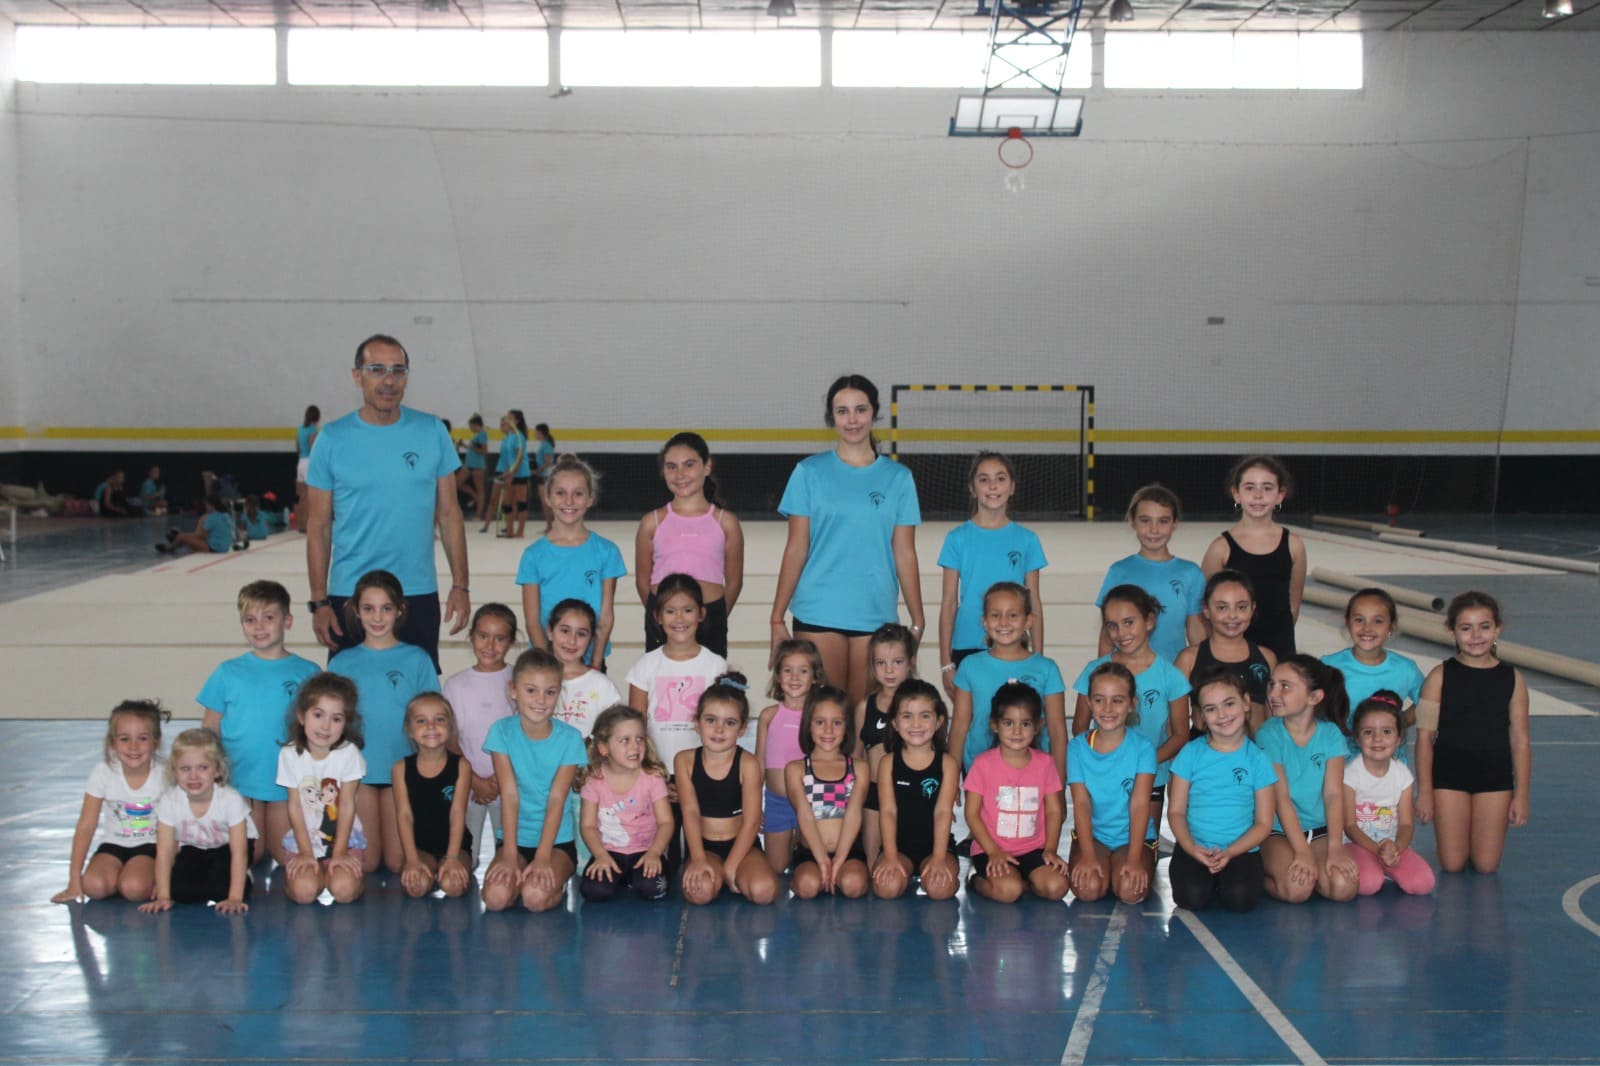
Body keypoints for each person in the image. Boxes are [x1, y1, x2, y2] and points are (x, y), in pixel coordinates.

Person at [304, 333, 469, 672]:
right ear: (357, 376)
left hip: (416, 591)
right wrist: (319, 601)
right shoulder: (331, 439)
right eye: (377, 369)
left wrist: (460, 585)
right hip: (351, 593)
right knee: (348, 696)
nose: (389, 380)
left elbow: (449, 514)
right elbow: (318, 525)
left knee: (416, 695)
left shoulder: (432, 431)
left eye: (398, 370)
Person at [770, 374, 925, 707]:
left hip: (875, 612)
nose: (852, 419)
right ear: (832, 418)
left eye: (860, 409)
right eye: (842, 411)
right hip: (818, 611)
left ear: (874, 413)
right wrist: (776, 617)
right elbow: (796, 547)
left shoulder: (898, 478)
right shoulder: (808, 472)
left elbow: (904, 552)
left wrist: (917, 619)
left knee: (863, 717)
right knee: (825, 716)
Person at [197, 580, 320, 864]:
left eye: (268, 618)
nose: (259, 627)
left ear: (287, 621)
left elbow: (320, 731)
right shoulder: (228, 672)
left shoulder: (308, 672)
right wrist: (212, 773)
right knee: (249, 855)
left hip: (286, 785)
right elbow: (210, 729)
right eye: (250, 620)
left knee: (285, 855)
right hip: (240, 781)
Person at [328, 569, 439, 876]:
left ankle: (441, 859)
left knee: (397, 861)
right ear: (356, 610)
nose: (377, 617)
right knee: (366, 862)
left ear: (400, 610)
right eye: (368, 608)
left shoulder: (417, 659)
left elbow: (434, 720)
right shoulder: (341, 662)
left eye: (386, 608)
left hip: (401, 773)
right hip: (357, 775)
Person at [1415, 591, 1530, 875]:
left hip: (1495, 778)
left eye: (1484, 627)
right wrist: (1425, 792)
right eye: (1466, 628)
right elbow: (1424, 738)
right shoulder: (1438, 677)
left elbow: (1520, 740)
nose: (1476, 636)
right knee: (1453, 864)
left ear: (1498, 629)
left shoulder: (1513, 679)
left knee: (1486, 865)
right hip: (1449, 778)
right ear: (1452, 631)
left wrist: (1521, 795)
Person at [1071, 585, 1190, 834]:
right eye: (1112, 625)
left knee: (1143, 845)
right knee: (1100, 842)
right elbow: (1080, 726)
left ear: (1149, 621)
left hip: (1152, 776)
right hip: (1103, 774)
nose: (1121, 633)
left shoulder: (1171, 676)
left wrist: (1144, 763)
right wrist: (1103, 760)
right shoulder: (1094, 671)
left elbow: (1180, 735)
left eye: (1128, 622)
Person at [481, 649, 586, 913]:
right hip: (514, 840)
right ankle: (519, 874)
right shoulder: (501, 731)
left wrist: (542, 857)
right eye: (531, 690)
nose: (540, 700)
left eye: (550, 692)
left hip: (555, 842)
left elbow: (556, 799)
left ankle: (556, 883)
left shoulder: (570, 739)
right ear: (513, 690)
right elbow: (509, 794)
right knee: (495, 898)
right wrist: (509, 854)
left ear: (559, 693)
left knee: (534, 898)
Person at [1166, 666, 1277, 912]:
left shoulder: (1258, 759)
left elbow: (1263, 823)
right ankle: (1207, 878)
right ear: (1201, 716)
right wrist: (1191, 847)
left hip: (1240, 848)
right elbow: (1176, 812)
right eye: (1211, 709)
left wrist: (1230, 852)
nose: (1222, 715)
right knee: (1191, 896)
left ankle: (1224, 879)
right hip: (1196, 846)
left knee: (1240, 898)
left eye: (1229, 704)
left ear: (1246, 703)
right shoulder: (1190, 753)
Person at [936, 452, 1047, 696]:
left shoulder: (1027, 540)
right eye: (984, 479)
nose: (993, 486)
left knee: (1012, 717)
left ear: (1012, 487)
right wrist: (946, 664)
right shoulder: (957, 539)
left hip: (1013, 643)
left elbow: (1034, 604)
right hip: (967, 645)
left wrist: (1038, 659)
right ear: (972, 488)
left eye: (1000, 478)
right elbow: (949, 603)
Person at [1256, 657, 1359, 904]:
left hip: (1319, 831)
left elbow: (1333, 794)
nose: (1274, 693)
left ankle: (1311, 871)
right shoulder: (1269, 734)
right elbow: (1281, 799)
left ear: (1314, 697)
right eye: (1272, 684)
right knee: (1297, 890)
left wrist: (1335, 846)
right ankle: (1256, 874)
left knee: (1343, 888)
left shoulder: (1331, 735)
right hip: (1279, 832)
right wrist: (1302, 852)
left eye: (1285, 686)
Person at [633, 432, 745, 658]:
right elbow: (643, 581)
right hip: (662, 624)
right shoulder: (651, 522)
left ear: (707, 466)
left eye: (689, 465)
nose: (680, 474)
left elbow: (734, 582)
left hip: (710, 621)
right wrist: (663, 616)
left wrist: (712, 617)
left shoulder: (726, 522)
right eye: (671, 467)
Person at [948, 582, 1067, 783]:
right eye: (995, 615)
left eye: (1013, 615)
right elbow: (959, 727)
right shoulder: (970, 666)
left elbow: (1057, 731)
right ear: (985, 622)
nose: (1004, 622)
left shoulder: (1046, 669)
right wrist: (951, 782)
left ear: (1028, 621)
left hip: (1034, 774)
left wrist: (1059, 783)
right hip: (980, 774)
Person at [52, 700, 169, 904]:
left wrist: (164, 879)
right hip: (114, 844)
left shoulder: (165, 775)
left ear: (156, 742)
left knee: (134, 888)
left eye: (142, 738)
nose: (133, 746)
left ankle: (133, 876)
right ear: (112, 742)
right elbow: (86, 826)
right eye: (124, 739)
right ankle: (118, 876)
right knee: (94, 887)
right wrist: (74, 880)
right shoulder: (103, 772)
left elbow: (177, 827)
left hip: (152, 846)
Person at [517, 454, 626, 671]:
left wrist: (595, 664)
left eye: (578, 494)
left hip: (590, 662)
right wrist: (549, 666)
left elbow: (605, 617)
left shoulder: (607, 552)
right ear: (547, 498)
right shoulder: (533, 555)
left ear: (590, 498)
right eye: (560, 493)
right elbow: (533, 621)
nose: (569, 501)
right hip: (547, 664)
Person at [963, 683, 1069, 903]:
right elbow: (971, 814)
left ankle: (1024, 879)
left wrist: (1050, 849)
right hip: (991, 849)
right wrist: (993, 852)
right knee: (1009, 891)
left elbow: (1054, 811)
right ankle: (976, 879)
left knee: (1057, 887)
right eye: (1009, 723)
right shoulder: (983, 764)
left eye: (1026, 723)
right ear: (995, 725)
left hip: (1032, 850)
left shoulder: (1045, 763)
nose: (1017, 731)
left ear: (1038, 726)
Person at [677, 674, 777, 905]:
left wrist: (731, 866)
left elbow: (752, 821)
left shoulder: (748, 764)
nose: (719, 729)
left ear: (742, 729)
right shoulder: (684, 761)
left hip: (742, 846)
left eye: (729, 723)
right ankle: (714, 873)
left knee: (764, 892)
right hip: (705, 848)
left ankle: (728, 873)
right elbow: (690, 812)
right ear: (697, 723)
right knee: (699, 893)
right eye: (711, 720)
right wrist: (698, 858)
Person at [1067, 663, 1158, 905]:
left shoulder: (1143, 748)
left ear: (1131, 703)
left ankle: (1120, 867)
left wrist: (1134, 858)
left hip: (1133, 839)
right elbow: (1081, 803)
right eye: (1100, 700)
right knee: (1088, 890)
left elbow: (1140, 804)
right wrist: (1088, 856)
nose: (1108, 709)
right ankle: (1104, 868)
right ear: (1089, 703)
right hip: (1094, 838)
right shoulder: (1076, 748)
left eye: (1117, 701)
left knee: (1130, 891)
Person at [1201, 455, 1306, 660]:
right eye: (1250, 487)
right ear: (1236, 494)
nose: (1258, 495)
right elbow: (1206, 607)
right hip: (1232, 648)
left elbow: (1293, 606)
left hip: (1280, 647)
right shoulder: (1220, 548)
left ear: (1280, 495)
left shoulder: (1294, 545)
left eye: (1267, 488)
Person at [140, 728, 254, 915]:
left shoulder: (230, 800)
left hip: (227, 848)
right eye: (185, 769)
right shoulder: (169, 800)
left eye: (202, 768)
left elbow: (239, 852)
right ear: (175, 771)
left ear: (217, 770)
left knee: (220, 890)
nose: (193, 776)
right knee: (180, 892)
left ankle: (244, 877)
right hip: (193, 846)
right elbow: (165, 852)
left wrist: (235, 897)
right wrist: (163, 896)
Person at [277, 673, 367, 905]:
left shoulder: (349, 754)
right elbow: (295, 806)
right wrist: (306, 853)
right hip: (305, 839)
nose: (325, 726)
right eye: (318, 715)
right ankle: (312, 876)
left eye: (336, 719)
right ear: (301, 716)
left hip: (342, 840)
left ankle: (336, 875)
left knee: (344, 891)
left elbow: (346, 805)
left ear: (346, 723)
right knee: (304, 893)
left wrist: (340, 853)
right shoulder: (289, 754)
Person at [441, 603, 516, 871]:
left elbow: (523, 734)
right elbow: (450, 740)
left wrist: (498, 780)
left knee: (506, 859)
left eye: (500, 638)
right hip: (468, 786)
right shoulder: (455, 685)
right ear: (472, 636)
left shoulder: (517, 680)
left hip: (508, 785)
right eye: (483, 636)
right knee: (465, 858)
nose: (490, 645)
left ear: (511, 642)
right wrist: (475, 781)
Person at [870, 680, 960, 901]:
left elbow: (943, 812)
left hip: (937, 847)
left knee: (940, 890)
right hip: (899, 848)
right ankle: (906, 873)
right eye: (907, 716)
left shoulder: (947, 764)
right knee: (887, 889)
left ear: (939, 721)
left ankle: (956, 876)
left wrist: (939, 858)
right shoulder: (887, 763)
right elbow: (888, 812)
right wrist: (890, 856)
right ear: (895, 722)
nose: (916, 724)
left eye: (925, 716)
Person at [1094, 484, 1204, 662]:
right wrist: (1104, 672)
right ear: (1132, 521)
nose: (1154, 529)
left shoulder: (1190, 573)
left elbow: (1196, 634)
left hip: (1174, 672)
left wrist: (1203, 672)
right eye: (1145, 520)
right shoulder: (1119, 571)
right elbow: (1107, 634)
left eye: (1163, 521)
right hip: (1127, 674)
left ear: (1175, 523)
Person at [577, 705, 675, 903]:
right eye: (625, 740)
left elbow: (666, 822)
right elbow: (588, 826)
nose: (635, 746)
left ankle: (633, 878)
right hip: (610, 851)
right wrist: (600, 855)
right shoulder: (595, 780)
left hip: (645, 850)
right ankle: (624, 877)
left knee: (653, 888)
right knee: (593, 891)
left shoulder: (652, 777)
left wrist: (655, 853)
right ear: (604, 748)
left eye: (639, 739)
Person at [1344, 692, 1435, 896]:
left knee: (1423, 883)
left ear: (1399, 738)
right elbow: (1349, 826)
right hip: (1357, 844)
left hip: (1391, 846)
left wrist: (1397, 847)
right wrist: (1377, 850)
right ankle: (1375, 866)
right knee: (1368, 884)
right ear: (1357, 738)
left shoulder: (1402, 775)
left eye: (1386, 731)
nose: (1377, 738)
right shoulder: (1350, 775)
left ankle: (1386, 865)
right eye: (1368, 732)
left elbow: (1406, 824)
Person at [786, 685, 871, 899]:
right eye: (820, 722)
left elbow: (853, 815)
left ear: (847, 726)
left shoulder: (859, 768)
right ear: (808, 724)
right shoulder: (796, 769)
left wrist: (840, 858)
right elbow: (805, 816)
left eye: (837, 723)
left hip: (848, 851)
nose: (828, 730)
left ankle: (840, 874)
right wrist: (822, 860)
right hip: (811, 852)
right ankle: (810, 877)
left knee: (853, 885)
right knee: (807, 886)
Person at [1322, 588, 1426, 758]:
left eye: (1377, 621)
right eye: (1359, 620)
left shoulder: (1405, 669)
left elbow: (1427, 702)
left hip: (1388, 765)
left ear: (1391, 626)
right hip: (1340, 763)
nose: (1367, 628)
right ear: (1347, 622)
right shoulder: (1329, 665)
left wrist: (1401, 720)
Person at [391, 693, 473, 897]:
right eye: (421, 721)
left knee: (453, 886)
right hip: (420, 848)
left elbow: (457, 813)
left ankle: (446, 868)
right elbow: (404, 816)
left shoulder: (461, 766)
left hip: (455, 846)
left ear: (450, 726)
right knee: (416, 887)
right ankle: (429, 871)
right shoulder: (401, 768)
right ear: (409, 730)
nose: (431, 726)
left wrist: (452, 857)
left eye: (439, 719)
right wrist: (411, 859)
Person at [755, 638, 826, 875]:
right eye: (787, 671)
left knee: (810, 864)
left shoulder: (819, 716)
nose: (795, 677)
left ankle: (801, 853)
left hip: (812, 801)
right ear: (778, 676)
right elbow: (758, 763)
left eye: (803, 671)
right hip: (777, 801)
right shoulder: (769, 715)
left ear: (815, 676)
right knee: (775, 867)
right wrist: (754, 805)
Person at [1175, 570, 1278, 730]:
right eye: (1222, 608)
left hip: (1255, 744)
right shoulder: (1188, 659)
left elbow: (1274, 719)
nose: (1232, 615)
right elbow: (1175, 724)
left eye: (1241, 607)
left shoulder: (1267, 658)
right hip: (1203, 744)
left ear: (1253, 608)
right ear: (1206, 609)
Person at [855, 623, 918, 866]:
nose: (889, 670)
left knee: (905, 859)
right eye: (881, 663)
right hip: (873, 793)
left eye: (897, 662)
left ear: (911, 662)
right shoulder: (865, 706)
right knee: (873, 864)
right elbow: (856, 755)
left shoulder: (921, 704)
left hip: (909, 792)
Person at [547, 598, 622, 740]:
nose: (572, 641)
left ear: (591, 639)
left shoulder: (601, 685)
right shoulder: (534, 679)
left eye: (581, 634)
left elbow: (614, 734)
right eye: (565, 631)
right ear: (550, 632)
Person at [479, 411, 525, 535]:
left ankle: (510, 526)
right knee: (494, 499)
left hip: (509, 472)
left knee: (510, 501)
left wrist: (510, 472)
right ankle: (487, 525)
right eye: (502, 424)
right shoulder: (506, 439)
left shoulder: (516, 437)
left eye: (504, 424)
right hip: (501, 470)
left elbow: (517, 457)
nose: (502, 426)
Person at [156, 494, 234, 555]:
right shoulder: (225, 515)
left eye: (206, 505)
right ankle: (176, 541)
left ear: (211, 505)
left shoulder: (210, 517)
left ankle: (169, 547)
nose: (205, 507)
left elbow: (200, 536)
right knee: (185, 538)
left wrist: (201, 521)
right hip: (225, 547)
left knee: (181, 537)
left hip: (215, 549)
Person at [459, 414, 489, 518]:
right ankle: (476, 498)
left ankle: (478, 515)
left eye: (470, 426)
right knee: (458, 483)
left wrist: (471, 447)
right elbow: (473, 449)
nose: (470, 428)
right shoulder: (476, 435)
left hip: (478, 466)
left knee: (480, 490)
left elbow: (484, 451)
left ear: (476, 425)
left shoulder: (482, 435)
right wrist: (465, 446)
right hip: (469, 464)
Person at [295, 405, 320, 520]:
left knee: (302, 496)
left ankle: (301, 523)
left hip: (300, 462)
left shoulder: (300, 429)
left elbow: (298, 447)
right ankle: (310, 522)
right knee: (311, 495)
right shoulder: (313, 430)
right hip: (309, 462)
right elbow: (313, 447)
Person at [532, 422, 558, 530]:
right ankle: (549, 526)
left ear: (541, 433)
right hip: (542, 475)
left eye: (536, 432)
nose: (535, 434)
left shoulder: (546, 445)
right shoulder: (543, 444)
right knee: (545, 503)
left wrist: (538, 470)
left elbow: (548, 461)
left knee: (546, 503)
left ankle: (552, 527)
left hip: (545, 476)